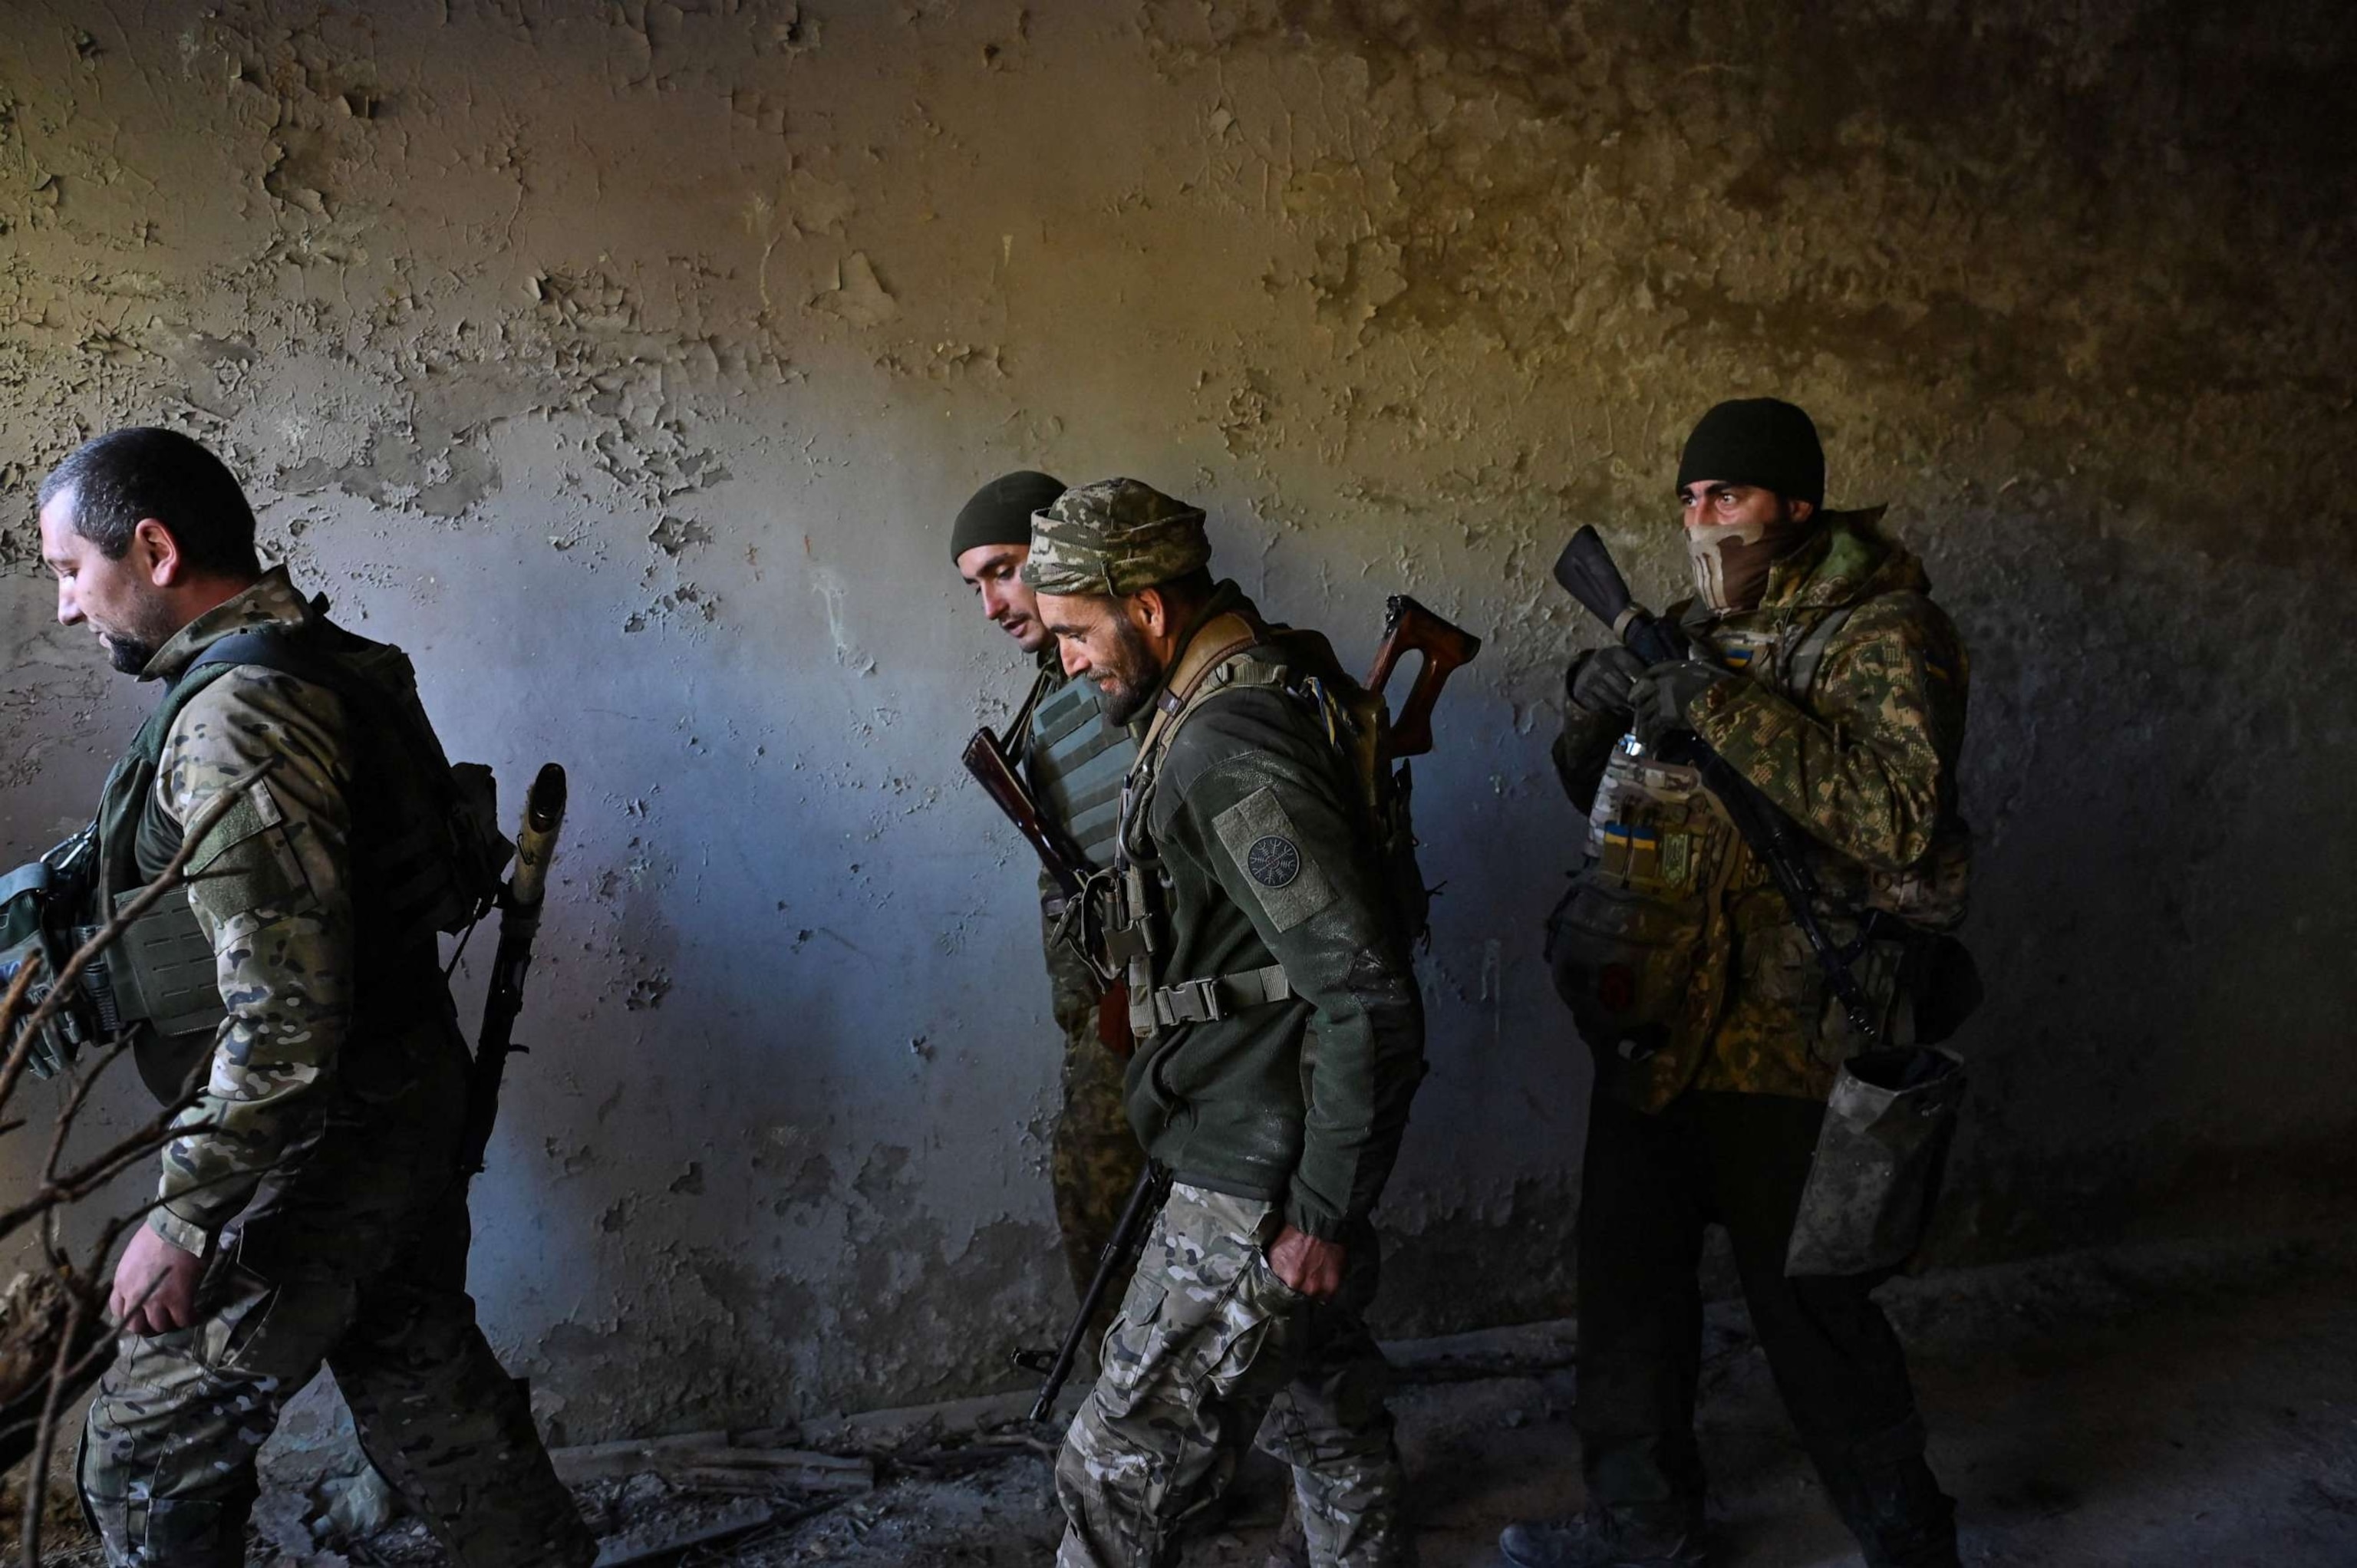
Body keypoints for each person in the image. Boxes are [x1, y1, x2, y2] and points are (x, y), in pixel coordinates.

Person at [37, 427, 595, 1568]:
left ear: (152, 549)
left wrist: (188, 1213)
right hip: (391, 1101)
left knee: (143, 1456)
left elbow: (285, 1011)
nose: (63, 609)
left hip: (318, 1136)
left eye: (67, 572)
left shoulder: (239, 713)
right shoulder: (325, 657)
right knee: (424, 1384)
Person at [1509, 399, 1972, 1568]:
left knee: (1810, 1311)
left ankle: (1907, 1536)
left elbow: (1900, 820)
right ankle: (1640, 1528)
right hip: (1660, 1014)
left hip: (1791, 1031)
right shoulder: (1681, 630)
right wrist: (1598, 710)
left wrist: (1716, 706)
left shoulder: (1885, 632)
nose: (1700, 518)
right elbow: (1596, 793)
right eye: (1689, 497)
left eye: (1729, 496)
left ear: (1798, 508)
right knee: (1626, 1295)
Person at [1029, 478, 1427, 1568]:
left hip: (1255, 1175)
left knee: (1111, 1475)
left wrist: (1319, 1215)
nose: (1066, 662)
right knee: (1327, 1422)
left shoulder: (1225, 749)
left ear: (1149, 610)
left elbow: (1364, 992)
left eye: (1075, 633)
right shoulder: (1232, 695)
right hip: (1261, 1141)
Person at [950, 469, 1149, 1309]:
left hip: (1176, 1001)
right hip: (1119, 1006)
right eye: (975, 585)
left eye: (1003, 568)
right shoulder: (1060, 694)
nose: (992, 604)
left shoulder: (1140, 674)